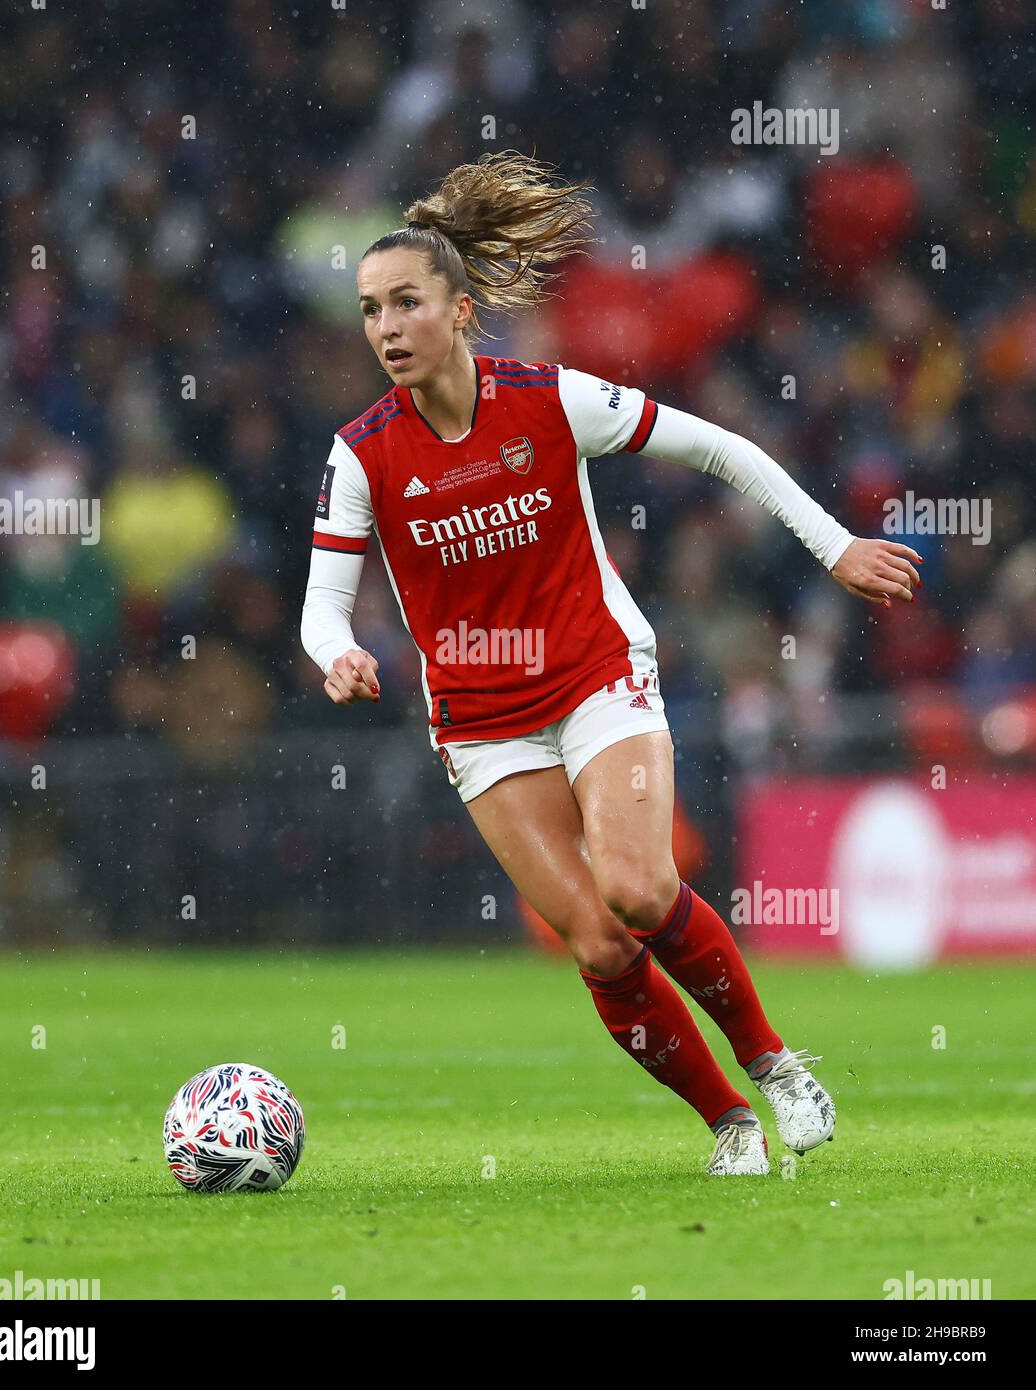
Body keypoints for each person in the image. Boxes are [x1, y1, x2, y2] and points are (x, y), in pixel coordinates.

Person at [301, 152, 922, 1175]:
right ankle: (728, 1123)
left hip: (597, 674)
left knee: (639, 888)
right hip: (480, 721)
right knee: (597, 942)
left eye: (406, 303)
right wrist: (341, 656)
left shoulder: (550, 400)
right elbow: (323, 610)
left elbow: (720, 446)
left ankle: (773, 1063)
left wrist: (836, 546)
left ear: (460, 311)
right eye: (370, 310)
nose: (386, 328)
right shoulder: (360, 453)